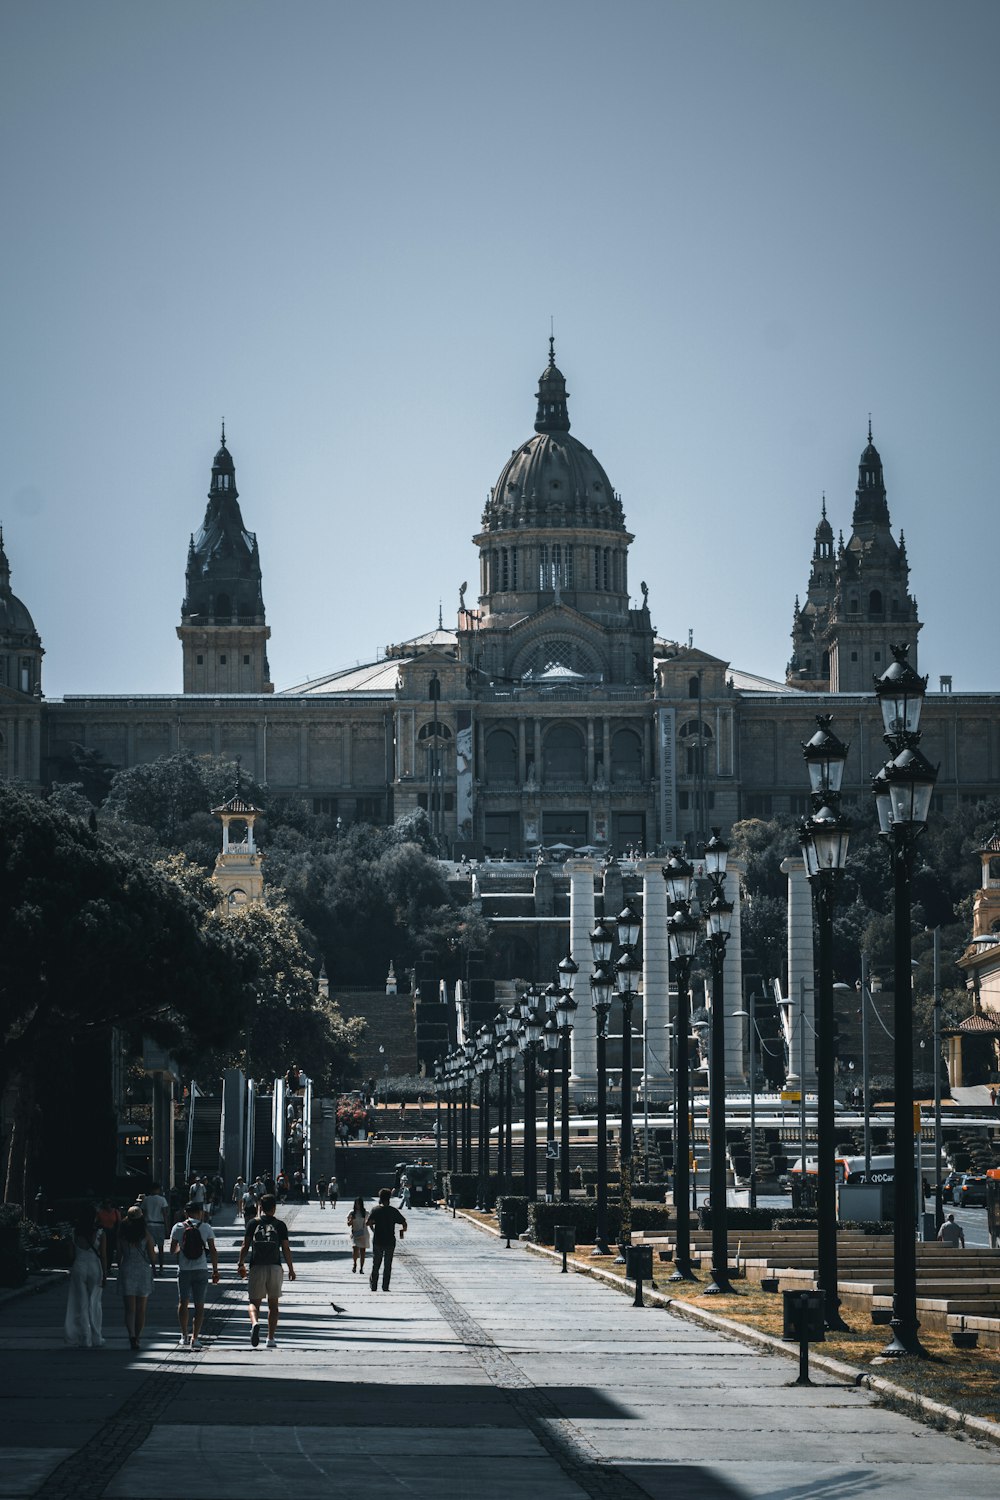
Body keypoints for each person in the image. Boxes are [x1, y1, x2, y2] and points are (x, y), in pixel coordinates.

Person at [237, 1192, 295, 1348]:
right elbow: (286, 1249)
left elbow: (245, 1245)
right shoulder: (280, 1225)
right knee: (273, 1305)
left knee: (254, 1302)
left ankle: (255, 1323)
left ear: (260, 1207)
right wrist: (291, 1269)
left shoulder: (252, 1224)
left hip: (257, 1266)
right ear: (274, 1208)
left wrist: (240, 1263)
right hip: (275, 1266)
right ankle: (270, 1338)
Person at [169, 1201, 220, 1348]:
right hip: (201, 1270)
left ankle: (184, 1335)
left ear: (186, 1213)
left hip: (184, 1270)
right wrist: (215, 1270)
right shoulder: (206, 1227)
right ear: (200, 1212)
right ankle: (195, 1338)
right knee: (199, 1305)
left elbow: (173, 1250)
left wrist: (182, 1246)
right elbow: (213, 1250)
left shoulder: (178, 1227)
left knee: (183, 1302)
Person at [64, 1206, 107, 1347]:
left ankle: (84, 1337)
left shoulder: (74, 1233)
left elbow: (70, 1255)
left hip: (79, 1266)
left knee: (80, 1303)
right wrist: (105, 1274)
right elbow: (104, 1256)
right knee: (95, 1303)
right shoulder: (100, 1233)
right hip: (95, 1267)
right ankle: (96, 1336)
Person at [117, 1206, 156, 1350]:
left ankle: (131, 1335)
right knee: (141, 1309)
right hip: (143, 1271)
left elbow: (118, 1256)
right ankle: (138, 1337)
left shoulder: (122, 1235)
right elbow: (152, 1256)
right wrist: (155, 1266)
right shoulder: (146, 1235)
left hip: (127, 1269)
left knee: (129, 1309)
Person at [367, 1186, 407, 1293]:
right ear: (389, 1198)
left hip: (378, 1240)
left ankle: (374, 1285)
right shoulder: (393, 1211)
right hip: (390, 1240)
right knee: (387, 1265)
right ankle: (385, 1286)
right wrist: (402, 1231)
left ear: (380, 1198)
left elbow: (368, 1223)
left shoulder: (375, 1210)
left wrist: (373, 1229)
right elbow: (404, 1223)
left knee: (376, 1264)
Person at [142, 1181, 170, 1273]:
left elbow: (143, 1213)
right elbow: (165, 1214)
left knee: (150, 1248)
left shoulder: (146, 1200)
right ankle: (161, 1268)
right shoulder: (162, 1200)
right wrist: (167, 1228)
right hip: (159, 1225)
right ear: (158, 1189)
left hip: (148, 1225)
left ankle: (153, 1268)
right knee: (161, 1248)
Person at [95, 1198, 121, 1267]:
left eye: (109, 1203)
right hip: (103, 1231)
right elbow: (96, 1222)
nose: (108, 1205)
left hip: (112, 1233)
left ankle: (108, 1266)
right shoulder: (101, 1212)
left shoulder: (115, 1212)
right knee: (103, 1249)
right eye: (106, 1203)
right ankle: (103, 1265)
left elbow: (119, 1223)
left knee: (110, 1250)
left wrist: (118, 1233)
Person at [348, 1196, 370, 1273]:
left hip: (363, 1233)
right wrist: (351, 1220)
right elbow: (348, 1224)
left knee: (362, 1251)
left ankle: (361, 1268)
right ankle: (354, 1264)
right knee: (355, 1249)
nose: (358, 1205)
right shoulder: (352, 1213)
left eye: (359, 1204)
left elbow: (369, 1223)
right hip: (355, 1232)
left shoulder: (365, 1212)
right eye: (356, 1204)